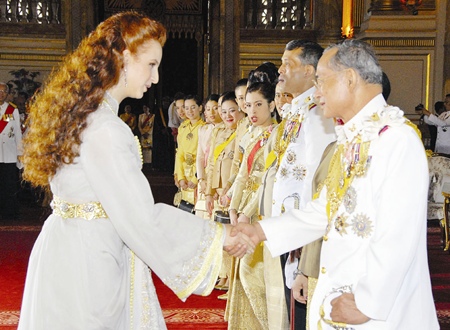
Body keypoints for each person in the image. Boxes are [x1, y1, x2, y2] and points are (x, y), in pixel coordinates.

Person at [18, 12, 253, 329]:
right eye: (152, 65)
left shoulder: (83, 112)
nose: (155, 78)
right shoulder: (104, 128)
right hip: (89, 260)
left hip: (71, 248)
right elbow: (141, 218)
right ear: (123, 58)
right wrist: (219, 235)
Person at [229, 39, 439, 329]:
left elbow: (397, 234)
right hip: (341, 294)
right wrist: (259, 231)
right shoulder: (350, 140)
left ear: (350, 79)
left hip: (377, 310)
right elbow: (324, 210)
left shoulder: (397, 140)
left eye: (322, 82)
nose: (316, 92)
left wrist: (367, 302)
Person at [225, 81, 278, 329]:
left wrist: (246, 213)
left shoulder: (277, 135)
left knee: (252, 275)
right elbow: (242, 175)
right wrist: (234, 207)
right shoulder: (251, 133)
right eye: (249, 105)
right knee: (242, 274)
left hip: (261, 209)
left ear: (272, 105)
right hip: (244, 206)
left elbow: (268, 177)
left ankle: (269, 324)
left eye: (259, 104)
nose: (253, 111)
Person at [174, 94, 205, 205]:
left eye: (193, 107)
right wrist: (180, 177)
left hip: (197, 175)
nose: (189, 111)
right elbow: (179, 154)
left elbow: (205, 157)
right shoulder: (183, 128)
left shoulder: (205, 128)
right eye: (186, 108)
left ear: (200, 108)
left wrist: (195, 178)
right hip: (184, 176)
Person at [196, 93, 222, 218]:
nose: (211, 112)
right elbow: (200, 156)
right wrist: (201, 179)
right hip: (205, 178)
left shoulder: (227, 130)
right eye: (208, 109)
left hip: (219, 180)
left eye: (215, 108)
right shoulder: (203, 130)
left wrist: (216, 186)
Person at [0, 82, 22, 221]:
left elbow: (18, 132)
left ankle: (9, 213)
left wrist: (20, 152)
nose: (1, 93)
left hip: (8, 154)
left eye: (3, 91)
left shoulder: (11, 110)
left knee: (8, 185)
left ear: (7, 93)